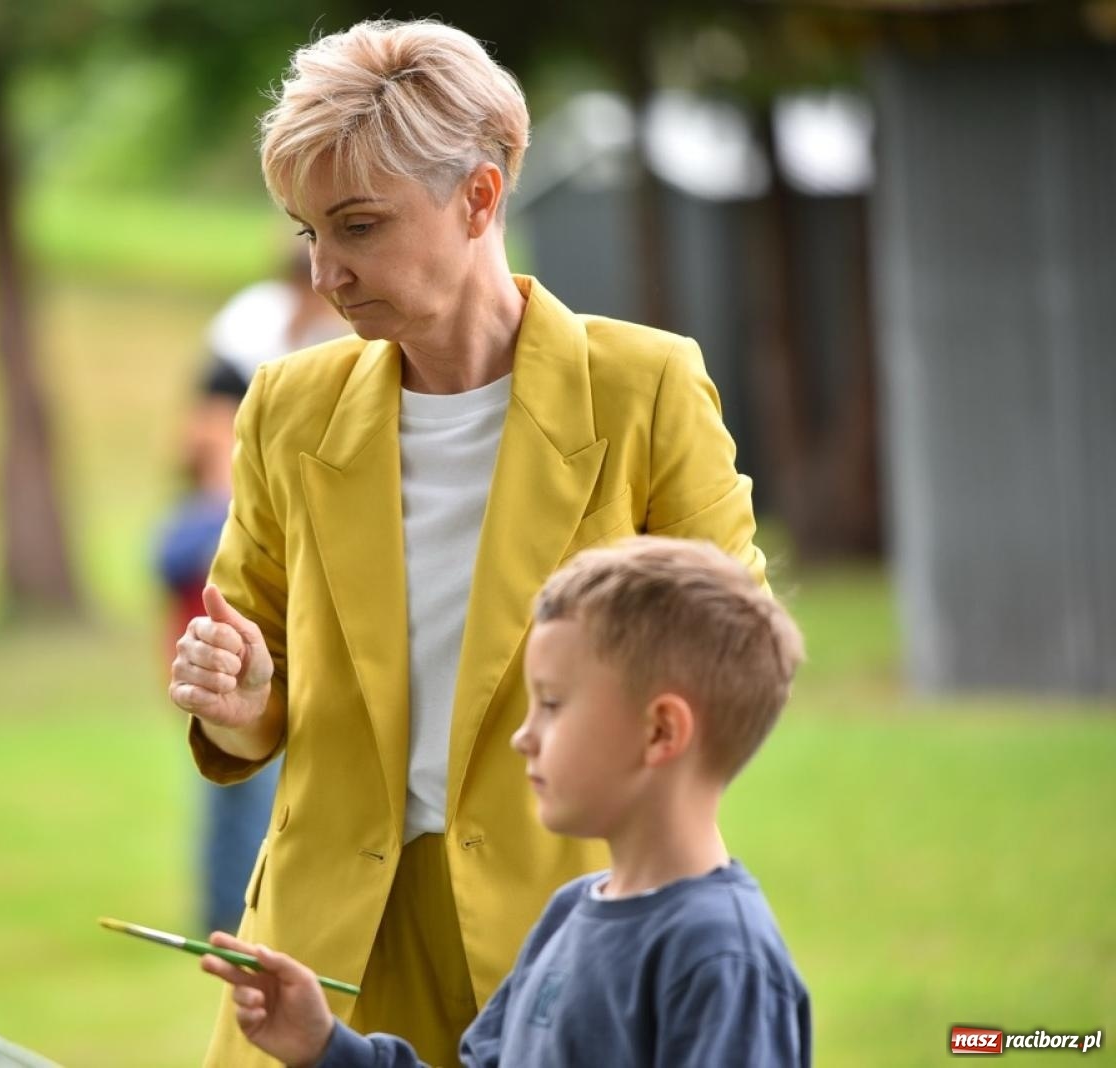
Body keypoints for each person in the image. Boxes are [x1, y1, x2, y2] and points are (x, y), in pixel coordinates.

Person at [167, 19, 769, 1066]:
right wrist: (241, 691)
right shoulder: (284, 406)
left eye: (356, 226)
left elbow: (736, 662)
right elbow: (256, 681)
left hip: (569, 932)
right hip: (322, 955)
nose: (325, 272)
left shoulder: (646, 390)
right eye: (308, 233)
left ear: (480, 198)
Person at [201, 537, 810, 1067]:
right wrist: (327, 1047)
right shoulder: (569, 915)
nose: (524, 735)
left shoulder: (722, 959)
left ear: (661, 732)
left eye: (551, 703)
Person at [155, 245, 347, 936]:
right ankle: (228, 908)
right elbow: (202, 445)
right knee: (237, 747)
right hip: (233, 534)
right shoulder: (247, 344)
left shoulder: (344, 346)